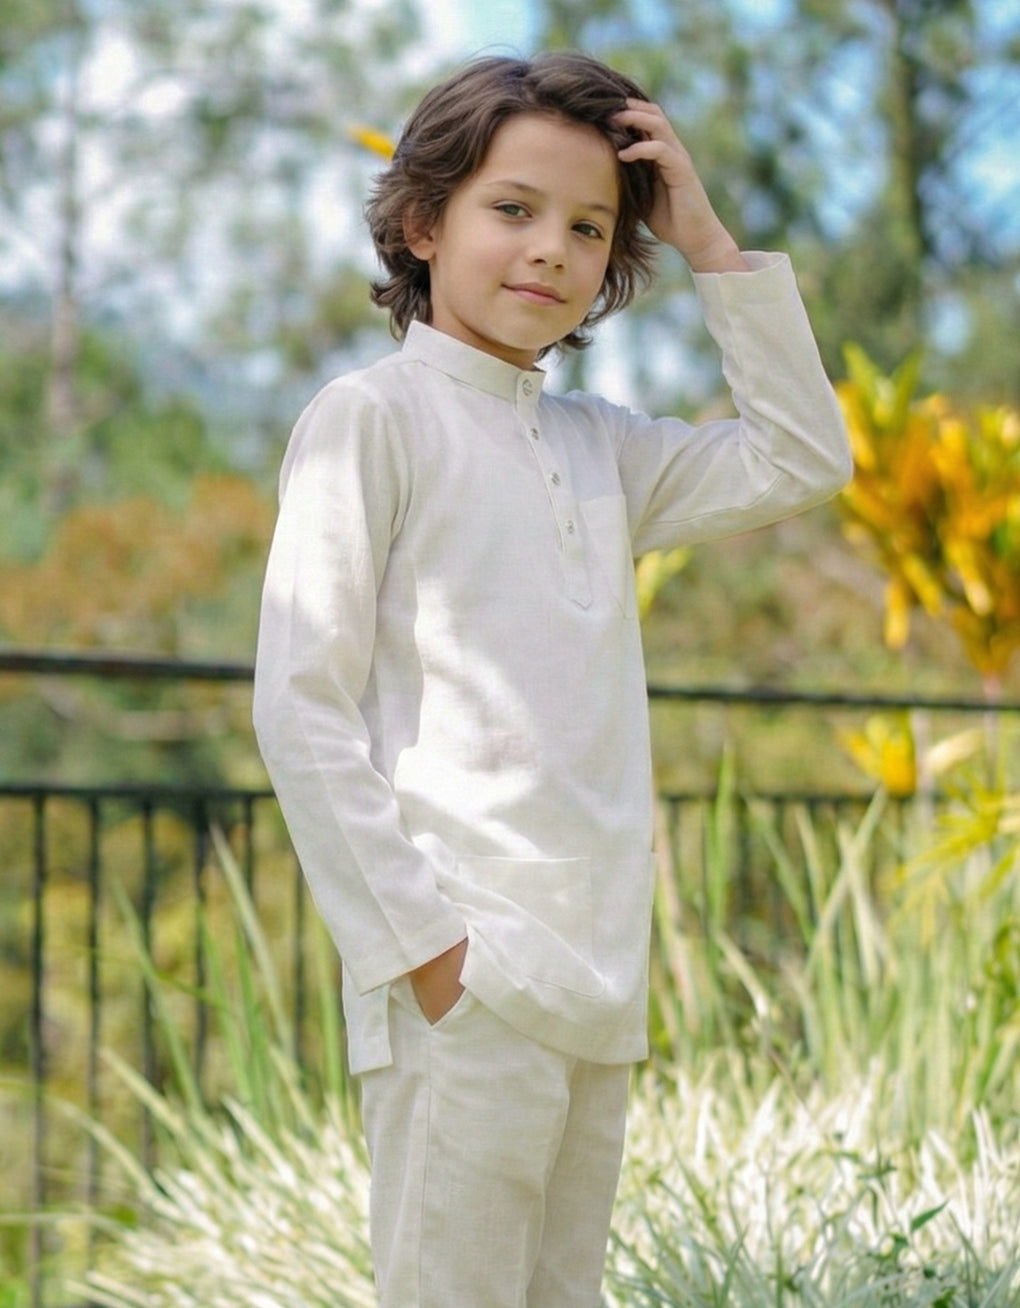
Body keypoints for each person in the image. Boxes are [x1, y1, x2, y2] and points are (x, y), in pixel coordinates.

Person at [253, 50, 851, 1308]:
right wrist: (426, 956)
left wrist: (707, 243)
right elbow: (300, 706)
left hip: (597, 977)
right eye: (513, 208)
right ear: (424, 224)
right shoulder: (371, 418)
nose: (551, 250)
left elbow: (802, 456)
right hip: (464, 974)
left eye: (588, 226)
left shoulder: (600, 450)